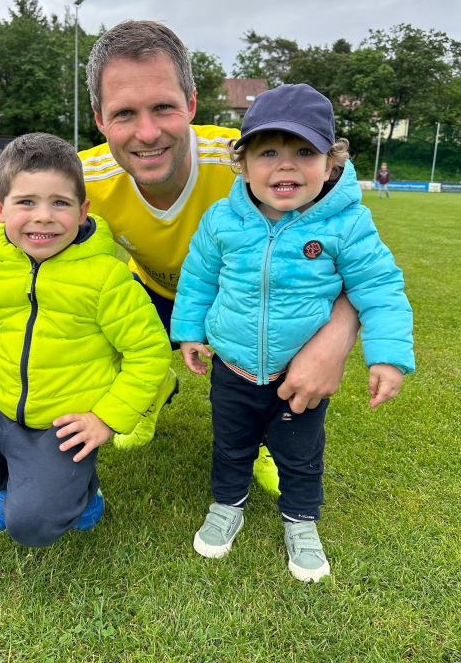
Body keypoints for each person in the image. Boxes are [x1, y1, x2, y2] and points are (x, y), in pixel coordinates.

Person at [0, 20, 360, 495]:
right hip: (152, 295)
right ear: (98, 118)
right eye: (124, 114)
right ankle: (150, 391)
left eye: (163, 108)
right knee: (86, 315)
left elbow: (357, 259)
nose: (147, 132)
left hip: (249, 299)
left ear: (192, 104)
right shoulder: (81, 180)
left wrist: (335, 339)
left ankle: (266, 441)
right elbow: (10, 248)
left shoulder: (255, 163)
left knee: (284, 323)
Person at [171, 84, 414, 582]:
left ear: (330, 163)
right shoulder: (221, 219)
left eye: (304, 151)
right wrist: (189, 332)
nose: (286, 166)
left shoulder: (347, 224)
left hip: (299, 375)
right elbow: (198, 278)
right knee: (230, 444)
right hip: (232, 366)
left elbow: (380, 286)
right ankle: (227, 505)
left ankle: (301, 522)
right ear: (242, 166)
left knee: (300, 454)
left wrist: (387, 355)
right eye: (268, 153)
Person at [0, 133, 171, 547]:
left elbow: (148, 352)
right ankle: (8, 481)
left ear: (83, 212)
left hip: (63, 425)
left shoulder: (105, 278)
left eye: (60, 203)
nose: (43, 216)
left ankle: (85, 494)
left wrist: (106, 419)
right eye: (26, 202)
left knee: (30, 527)